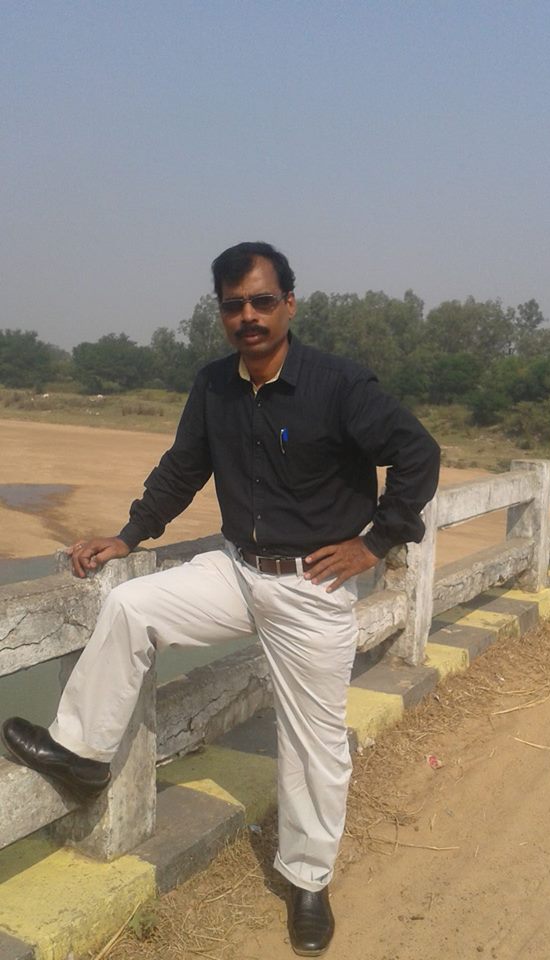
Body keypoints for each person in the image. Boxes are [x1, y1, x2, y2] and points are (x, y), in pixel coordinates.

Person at [2, 242, 440, 956]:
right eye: (234, 306)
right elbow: (183, 468)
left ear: (289, 304)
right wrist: (129, 535)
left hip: (312, 587)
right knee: (131, 607)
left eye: (262, 301)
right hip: (236, 570)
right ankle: (81, 754)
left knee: (313, 744)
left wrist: (378, 540)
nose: (249, 317)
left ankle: (307, 880)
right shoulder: (214, 386)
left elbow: (419, 453)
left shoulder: (338, 385)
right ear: (221, 314)